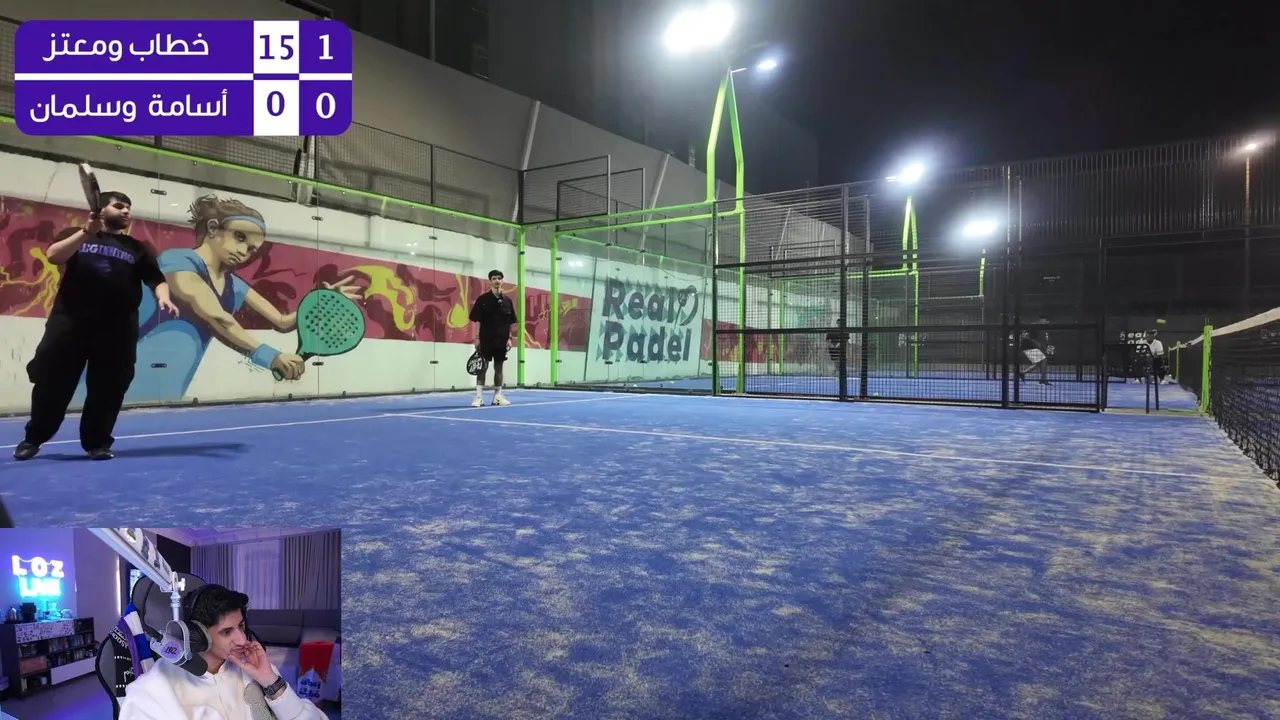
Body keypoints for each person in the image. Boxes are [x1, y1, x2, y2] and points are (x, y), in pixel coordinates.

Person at [14, 192, 179, 461]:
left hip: (118, 329)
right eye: (119, 206)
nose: (126, 211)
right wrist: (85, 232)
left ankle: (97, 443)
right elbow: (54, 256)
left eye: (128, 207)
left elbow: (156, 278)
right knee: (52, 382)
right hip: (70, 323)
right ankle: (34, 438)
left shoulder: (137, 248)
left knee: (109, 387)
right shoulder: (77, 235)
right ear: (101, 209)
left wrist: (163, 296)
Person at [119, 584, 325, 720]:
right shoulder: (153, 690)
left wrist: (270, 680)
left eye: (241, 626)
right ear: (197, 635)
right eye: (227, 632)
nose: (242, 640)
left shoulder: (255, 668)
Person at [469, 269, 517, 407]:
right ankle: (479, 397)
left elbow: (510, 322)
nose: (497, 281)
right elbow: (478, 320)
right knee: (482, 368)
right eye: (494, 278)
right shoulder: (482, 300)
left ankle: (497, 396)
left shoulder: (507, 301)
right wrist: (477, 338)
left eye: (499, 278)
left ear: (502, 281)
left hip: (502, 340)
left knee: (499, 368)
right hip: (485, 339)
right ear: (490, 281)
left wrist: (509, 338)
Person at [1019, 316, 1050, 385]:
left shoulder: (1035, 327)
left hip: (1028, 347)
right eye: (1046, 321)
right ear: (1041, 320)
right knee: (1044, 360)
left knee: (1038, 364)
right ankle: (1043, 379)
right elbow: (1025, 336)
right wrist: (1035, 342)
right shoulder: (1034, 326)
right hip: (1028, 347)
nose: (1047, 323)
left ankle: (1022, 373)